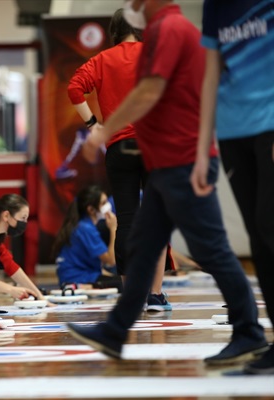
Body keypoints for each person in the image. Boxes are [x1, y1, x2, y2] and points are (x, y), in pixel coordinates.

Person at [69, 0, 267, 365]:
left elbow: (148, 91)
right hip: (167, 158)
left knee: (211, 249)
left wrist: (101, 132)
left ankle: (249, 331)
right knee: (145, 243)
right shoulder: (174, 31)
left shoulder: (168, 31)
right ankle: (116, 331)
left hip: (181, 158)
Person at [67, 7, 172, 311]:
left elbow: (74, 88)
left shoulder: (102, 60)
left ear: (114, 29)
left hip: (119, 147)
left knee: (127, 219)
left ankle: (131, 296)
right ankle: (154, 294)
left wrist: (92, 125)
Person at [191, 0, 274, 375]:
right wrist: (202, 148)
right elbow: (210, 74)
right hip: (233, 131)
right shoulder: (216, 6)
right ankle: (264, 341)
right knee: (258, 237)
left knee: (269, 225)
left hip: (269, 123)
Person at [53, 186, 123, 292]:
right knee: (125, 283)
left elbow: (97, 267)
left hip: (80, 275)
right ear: (91, 209)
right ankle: (85, 287)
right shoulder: (86, 228)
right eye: (103, 203)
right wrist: (114, 228)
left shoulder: (83, 225)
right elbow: (111, 260)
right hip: (77, 278)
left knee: (123, 279)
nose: (108, 206)